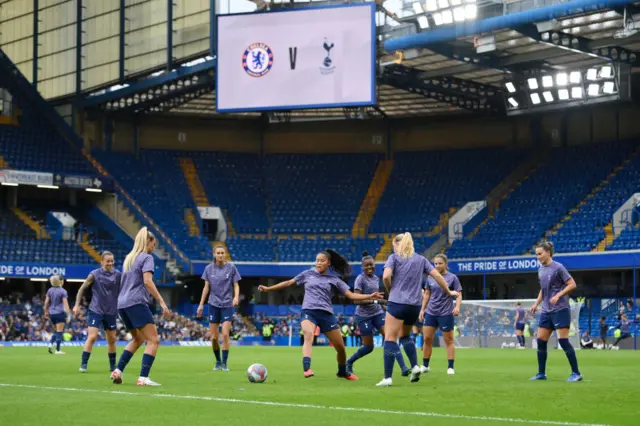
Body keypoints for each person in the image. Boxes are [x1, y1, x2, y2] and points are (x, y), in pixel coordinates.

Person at [258, 249, 383, 380]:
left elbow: (351, 295)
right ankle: (307, 368)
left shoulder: (334, 279)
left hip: (326, 315)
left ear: (328, 263)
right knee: (308, 335)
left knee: (340, 348)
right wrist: (268, 288)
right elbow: (289, 283)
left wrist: (370, 295)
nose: (319, 263)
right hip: (309, 311)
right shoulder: (307, 274)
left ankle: (342, 372)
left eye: (322, 261)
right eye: (317, 260)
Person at [377, 233, 459, 387]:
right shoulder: (421, 259)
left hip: (397, 303)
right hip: (414, 306)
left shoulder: (394, 258)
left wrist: (391, 290)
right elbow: (437, 276)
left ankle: (387, 377)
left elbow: (386, 276)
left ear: (397, 245)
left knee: (389, 339)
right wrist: (448, 292)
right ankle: (415, 366)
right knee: (405, 335)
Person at [110, 227, 170, 386]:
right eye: (153, 244)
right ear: (148, 242)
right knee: (154, 340)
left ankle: (118, 370)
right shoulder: (147, 258)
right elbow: (147, 282)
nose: (154, 247)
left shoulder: (129, 258)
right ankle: (143, 378)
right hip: (136, 302)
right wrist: (162, 302)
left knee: (138, 338)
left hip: (122, 304)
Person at [346, 252, 410, 376]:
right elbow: (356, 300)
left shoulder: (376, 278)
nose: (369, 268)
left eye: (371, 265)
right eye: (366, 266)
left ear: (375, 265)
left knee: (390, 337)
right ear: (362, 267)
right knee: (368, 347)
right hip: (363, 315)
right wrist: (376, 300)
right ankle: (349, 362)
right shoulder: (360, 279)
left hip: (377, 313)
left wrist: (385, 306)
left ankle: (403, 367)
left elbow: (377, 298)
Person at [530, 241, 582, 382]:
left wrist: (558, 295)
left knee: (563, 341)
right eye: (536, 254)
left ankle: (576, 373)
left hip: (560, 309)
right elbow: (543, 289)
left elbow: (572, 284)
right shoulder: (540, 270)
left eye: (540, 254)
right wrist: (536, 303)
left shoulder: (558, 268)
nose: (538, 257)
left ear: (548, 252)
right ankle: (541, 373)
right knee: (541, 341)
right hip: (546, 310)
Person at [73, 251, 122, 373]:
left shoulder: (118, 275)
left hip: (111, 311)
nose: (110, 263)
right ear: (102, 261)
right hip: (96, 310)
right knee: (93, 336)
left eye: (112, 261)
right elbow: (82, 288)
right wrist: (76, 305)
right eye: (107, 261)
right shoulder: (94, 275)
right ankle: (83, 364)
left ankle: (112, 366)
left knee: (112, 339)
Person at [197, 245, 241, 371]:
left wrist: (236, 297)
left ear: (225, 254)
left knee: (226, 334)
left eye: (223, 253)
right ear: (214, 254)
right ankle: (218, 361)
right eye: (218, 253)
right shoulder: (208, 269)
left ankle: (225, 363)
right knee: (214, 337)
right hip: (213, 304)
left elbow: (236, 285)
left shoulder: (231, 268)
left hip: (227, 304)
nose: (221, 255)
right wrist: (201, 304)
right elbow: (206, 287)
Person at [419, 254, 462, 375]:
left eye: (440, 263)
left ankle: (450, 367)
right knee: (427, 339)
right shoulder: (430, 278)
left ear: (446, 264)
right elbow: (427, 294)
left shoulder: (452, 278)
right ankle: (425, 365)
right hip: (431, 313)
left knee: (448, 340)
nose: (437, 265)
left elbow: (459, 294)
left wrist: (457, 307)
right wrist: (423, 309)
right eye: (435, 263)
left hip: (445, 313)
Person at [44, 275, 70, 355]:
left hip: (52, 313)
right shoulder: (63, 291)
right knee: (59, 332)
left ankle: (50, 344)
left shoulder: (50, 290)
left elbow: (46, 303)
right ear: (60, 281)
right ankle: (58, 350)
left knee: (55, 331)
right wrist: (69, 315)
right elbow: (66, 304)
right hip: (60, 313)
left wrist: (46, 311)